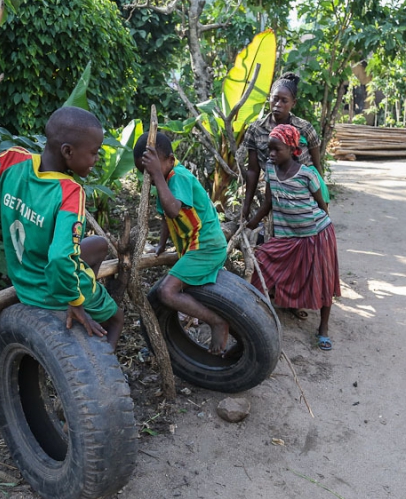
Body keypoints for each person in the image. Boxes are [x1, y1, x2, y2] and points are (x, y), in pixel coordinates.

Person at [0, 103, 124, 348]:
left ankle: (85, 291)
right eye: (94, 152)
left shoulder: (11, 160)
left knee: (98, 244)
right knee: (118, 318)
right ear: (68, 151)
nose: (96, 160)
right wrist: (74, 301)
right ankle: (107, 369)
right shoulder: (69, 192)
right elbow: (59, 258)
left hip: (24, 282)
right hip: (51, 290)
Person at [133, 132, 230, 356]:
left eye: (152, 170)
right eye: (144, 173)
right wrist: (161, 245)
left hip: (206, 246)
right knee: (174, 286)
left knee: (166, 292)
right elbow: (168, 218)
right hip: (196, 247)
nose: (148, 176)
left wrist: (157, 175)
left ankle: (216, 321)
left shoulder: (178, 177)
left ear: (169, 159)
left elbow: (174, 209)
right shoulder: (165, 179)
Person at [246, 124, 340, 351]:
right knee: (263, 262)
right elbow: (268, 202)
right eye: (269, 149)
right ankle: (252, 316)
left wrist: (323, 233)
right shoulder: (270, 168)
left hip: (317, 234)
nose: (271, 154)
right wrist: (251, 222)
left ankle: (323, 329)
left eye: (277, 149)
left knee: (323, 280)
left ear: (291, 148)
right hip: (288, 237)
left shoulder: (307, 174)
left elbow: (321, 204)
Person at [242, 72, 328, 220]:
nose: (278, 105)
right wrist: (246, 206)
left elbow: (316, 165)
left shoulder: (304, 128)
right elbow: (253, 171)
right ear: (269, 98)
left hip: (305, 194)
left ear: (293, 103)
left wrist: (322, 197)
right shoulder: (256, 129)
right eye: (275, 99)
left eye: (284, 101)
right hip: (276, 194)